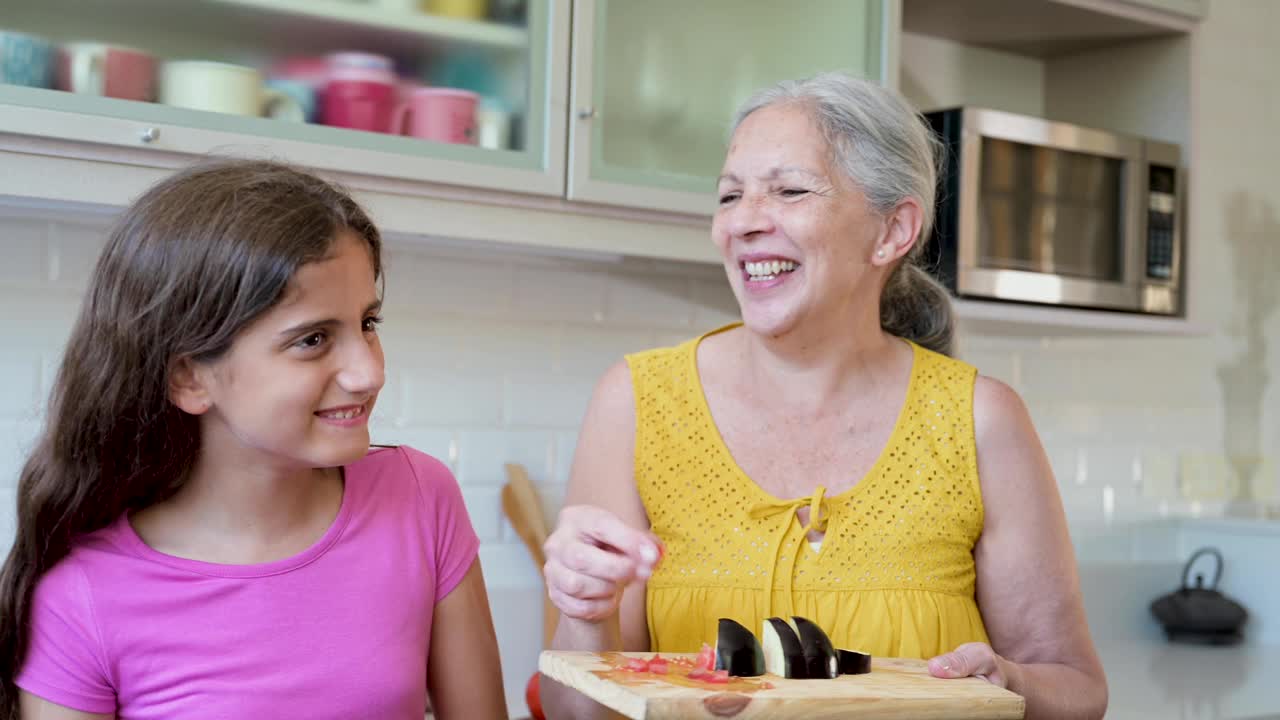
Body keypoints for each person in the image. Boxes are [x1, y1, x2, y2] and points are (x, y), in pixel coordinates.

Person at [541, 73, 1108, 720]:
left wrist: (1005, 681)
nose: (745, 222)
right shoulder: (636, 402)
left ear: (892, 231)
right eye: (730, 196)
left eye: (789, 190)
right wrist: (586, 615)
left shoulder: (981, 420)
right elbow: (573, 712)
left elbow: (1079, 690)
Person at [0, 160, 507, 720]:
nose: (369, 372)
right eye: (313, 339)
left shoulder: (419, 497)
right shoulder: (82, 599)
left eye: (368, 323)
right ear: (188, 377)